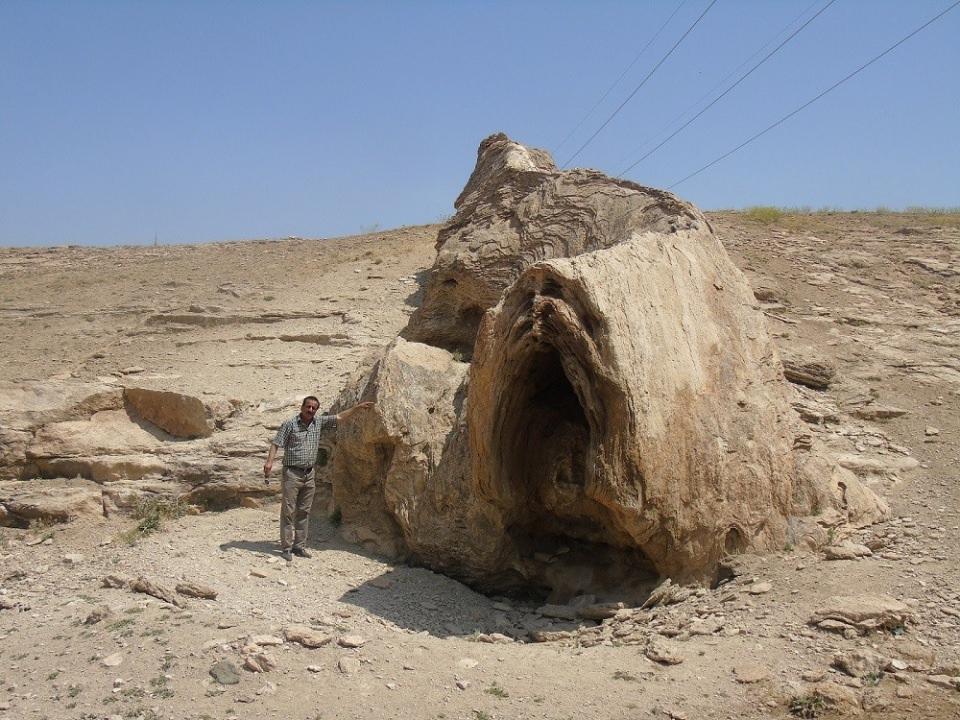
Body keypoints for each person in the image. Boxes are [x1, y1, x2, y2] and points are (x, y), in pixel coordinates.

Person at [263, 395, 372, 561]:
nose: (311, 410)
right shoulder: (289, 424)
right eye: (308, 407)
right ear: (302, 407)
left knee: (304, 511)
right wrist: (269, 462)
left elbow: (340, 417)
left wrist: (357, 408)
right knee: (288, 511)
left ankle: (299, 546)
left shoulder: (318, 422)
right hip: (292, 473)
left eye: (314, 408)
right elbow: (276, 443)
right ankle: (286, 548)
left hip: (309, 474)